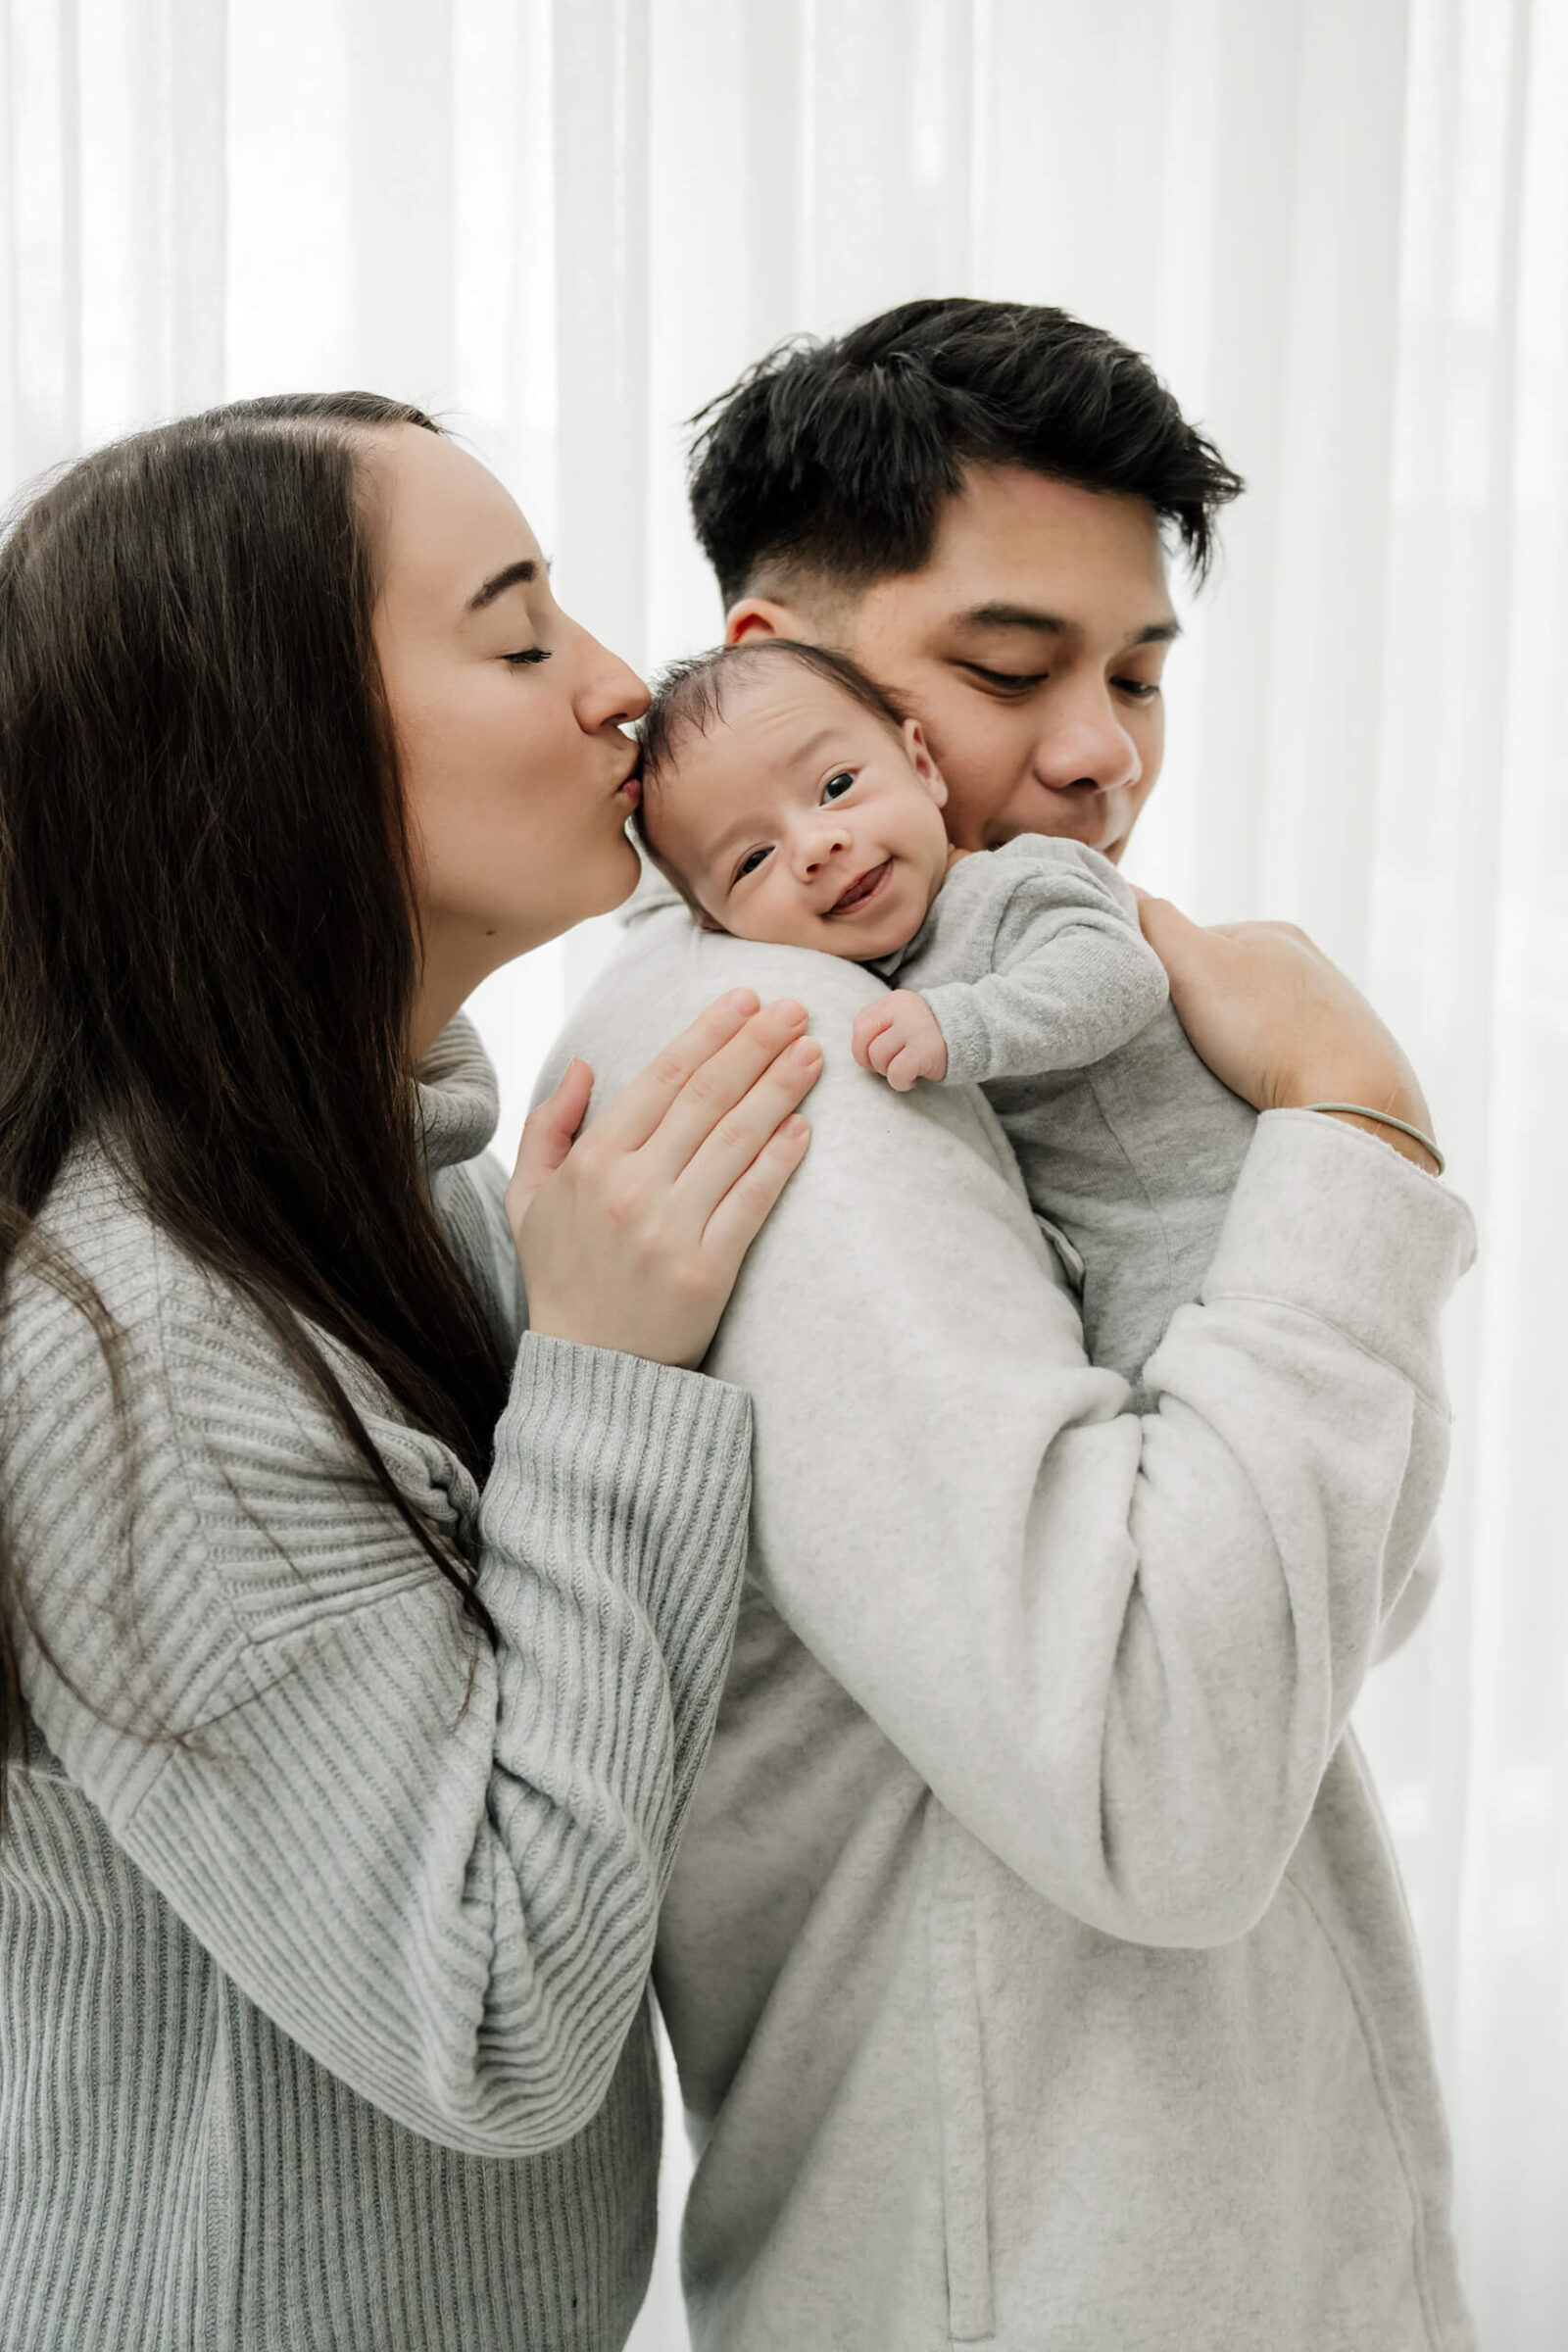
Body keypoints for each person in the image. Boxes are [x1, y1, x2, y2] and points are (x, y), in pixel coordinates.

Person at [539, 301, 1480, 2348]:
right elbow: (1162, 1768)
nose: (1099, 752)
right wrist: (1351, 1125)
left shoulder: (972, 1023)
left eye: (1137, 672)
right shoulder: (782, 1049)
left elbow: (1324, 1612)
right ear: (779, 651)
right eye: (1005, 666)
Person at [0, 394, 826, 2352]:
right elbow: (496, 2016)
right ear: (265, 750)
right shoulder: (143, 1359)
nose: (623, 687)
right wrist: (616, 1386)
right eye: (522, 635)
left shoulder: (401, 1198)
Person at [632, 633, 1268, 1405]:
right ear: (715, 924)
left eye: (836, 786)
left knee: (1202, 1427)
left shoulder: (1011, 884)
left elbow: (1120, 974)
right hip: (1102, 1253)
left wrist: (959, 1023)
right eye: (751, 860)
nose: (815, 844)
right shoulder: (843, 970)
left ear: (923, 768)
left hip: (1195, 1222)